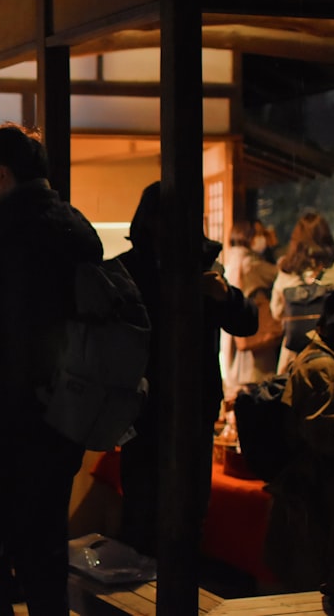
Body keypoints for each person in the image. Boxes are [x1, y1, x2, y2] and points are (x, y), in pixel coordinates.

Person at [0, 124, 104, 615]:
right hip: (63, 416)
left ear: (2, 176)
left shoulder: (2, 235)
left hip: (2, 422)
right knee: (42, 554)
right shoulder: (76, 228)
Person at [113, 181, 257, 559]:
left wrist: (224, 296)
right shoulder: (126, 271)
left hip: (194, 405)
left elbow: (247, 323)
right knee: (141, 511)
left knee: (191, 513)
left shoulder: (205, 268)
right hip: (141, 408)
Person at [263, 286, 334, 593]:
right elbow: (327, 435)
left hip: (321, 488)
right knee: (309, 582)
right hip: (312, 492)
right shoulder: (322, 366)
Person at [270, 211, 334, 374]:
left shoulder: (287, 271)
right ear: (326, 236)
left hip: (294, 358)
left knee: (294, 396)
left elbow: (276, 312)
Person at [222, 220, 279, 400]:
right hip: (254, 336)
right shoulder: (252, 264)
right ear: (248, 237)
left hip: (234, 336)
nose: (262, 238)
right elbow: (280, 273)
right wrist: (274, 246)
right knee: (257, 392)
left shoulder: (230, 260)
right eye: (259, 234)